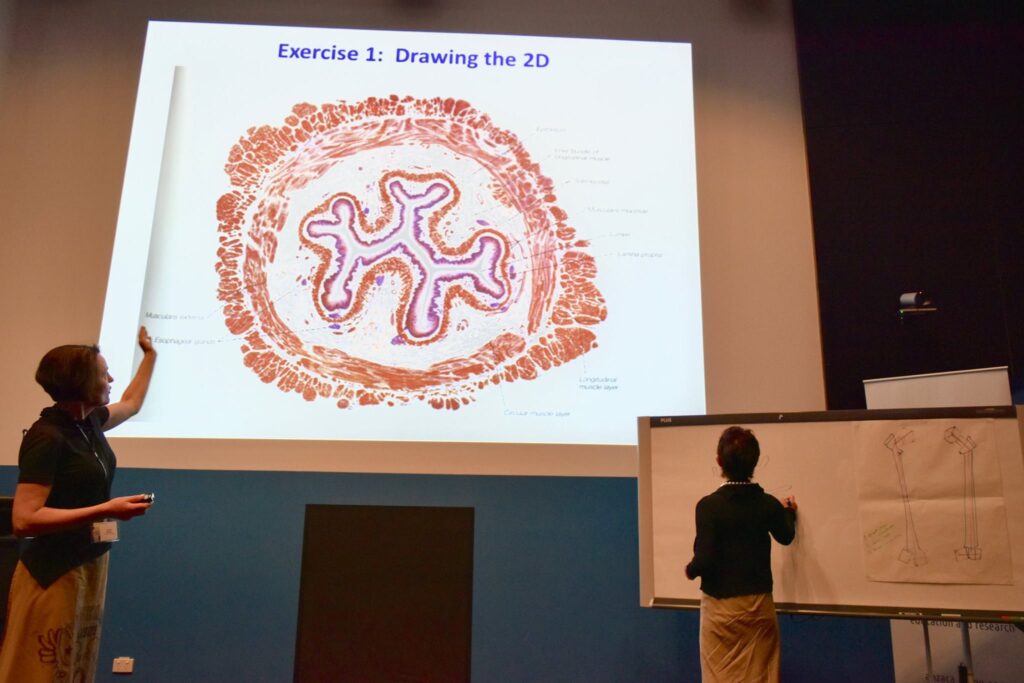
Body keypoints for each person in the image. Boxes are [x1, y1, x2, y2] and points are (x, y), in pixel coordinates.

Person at [0, 327, 157, 683]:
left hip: (90, 562)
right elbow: (24, 519)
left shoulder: (89, 423)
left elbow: (132, 402)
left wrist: (150, 355)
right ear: (81, 382)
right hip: (55, 571)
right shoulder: (47, 437)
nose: (111, 379)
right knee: (42, 669)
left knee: (75, 664)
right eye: (104, 374)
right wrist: (107, 509)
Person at [684, 426, 797, 683]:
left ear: (719, 461)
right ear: (755, 462)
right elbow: (786, 536)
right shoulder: (767, 504)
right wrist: (789, 512)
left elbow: (704, 560)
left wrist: (690, 570)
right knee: (762, 675)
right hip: (759, 606)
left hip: (721, 609)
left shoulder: (709, 506)